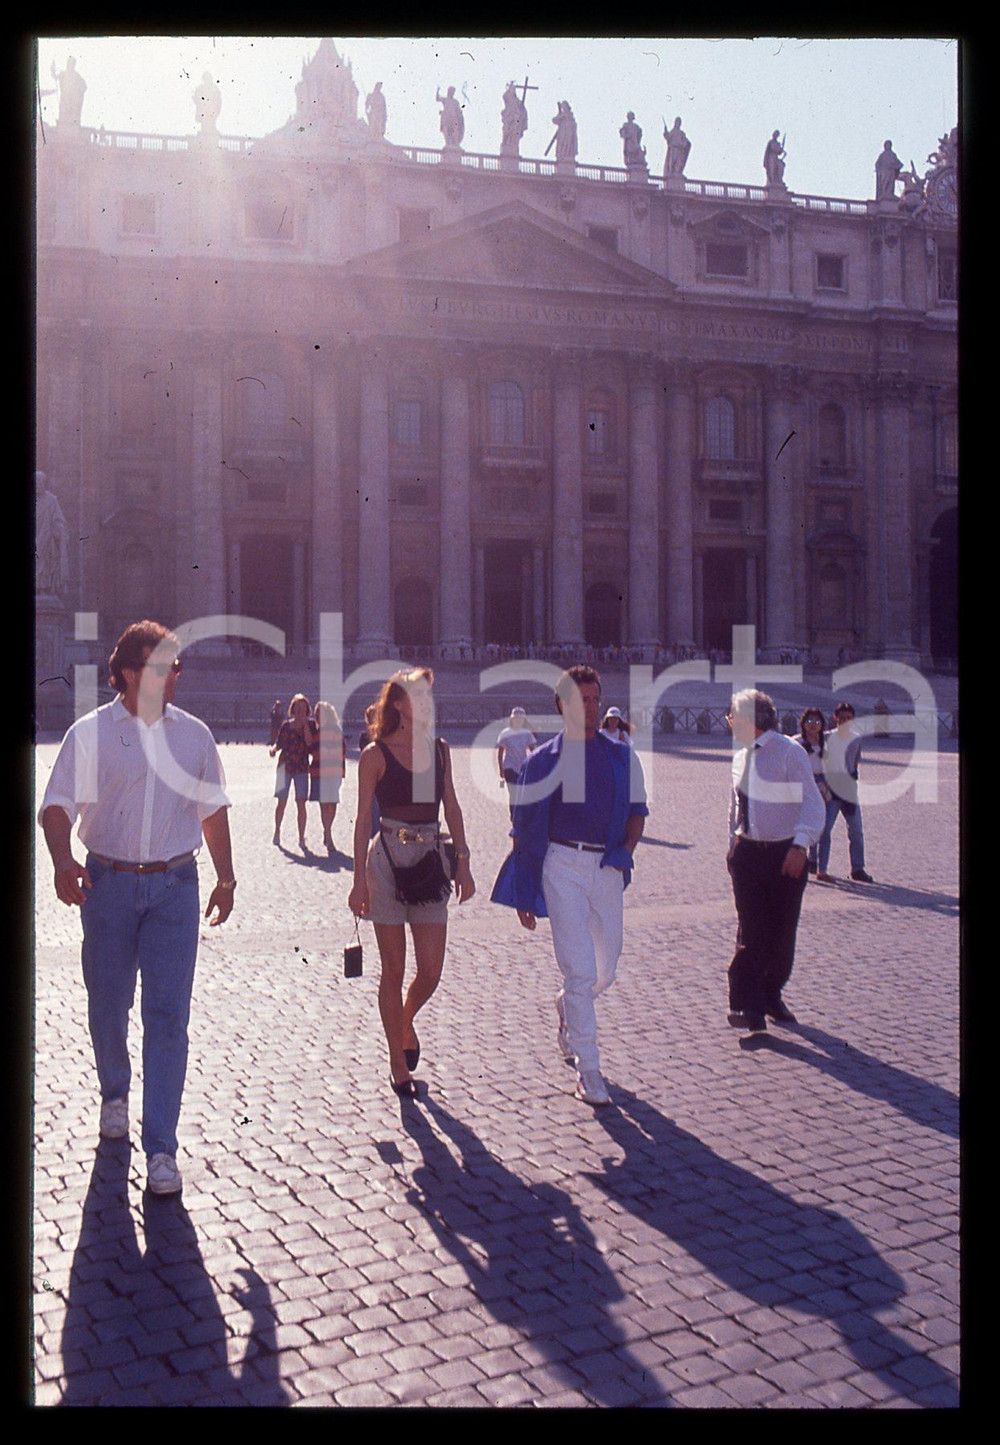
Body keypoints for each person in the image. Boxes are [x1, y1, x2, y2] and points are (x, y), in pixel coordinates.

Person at [38, 620, 235, 1195]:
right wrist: (61, 861)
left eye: (176, 667)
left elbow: (213, 810)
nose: (175, 675)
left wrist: (226, 877)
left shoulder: (195, 736)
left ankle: (162, 1149)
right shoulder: (89, 734)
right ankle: (115, 1093)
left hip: (176, 888)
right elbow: (55, 806)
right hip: (108, 886)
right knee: (108, 1004)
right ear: (128, 673)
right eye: (164, 666)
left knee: (169, 1018)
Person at [491, 665, 648, 1106]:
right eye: (583, 701)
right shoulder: (542, 761)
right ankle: (589, 1070)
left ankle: (567, 1009)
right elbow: (523, 830)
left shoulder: (621, 755)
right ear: (562, 705)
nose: (593, 708)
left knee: (606, 968)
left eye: (597, 699)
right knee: (579, 971)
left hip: (607, 867)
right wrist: (525, 891)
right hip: (560, 864)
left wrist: (626, 854)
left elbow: (638, 809)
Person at [349, 669, 475, 1097]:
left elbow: (452, 806)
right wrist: (357, 884)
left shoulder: (438, 751)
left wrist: (464, 860)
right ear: (398, 703)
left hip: (428, 860)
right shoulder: (375, 754)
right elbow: (364, 819)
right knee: (394, 968)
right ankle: (397, 1063)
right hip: (385, 861)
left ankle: (404, 1020)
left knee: (432, 970)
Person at [725, 689, 825, 1034]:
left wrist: (800, 847)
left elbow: (813, 805)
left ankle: (770, 994)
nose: (729, 723)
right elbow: (736, 807)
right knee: (751, 930)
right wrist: (732, 847)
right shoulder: (739, 756)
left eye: (732, 717)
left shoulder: (789, 753)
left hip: (786, 855)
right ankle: (745, 1006)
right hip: (748, 854)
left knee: (782, 934)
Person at [817, 701, 874, 883]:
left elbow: (855, 762)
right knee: (825, 831)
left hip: (849, 791)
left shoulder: (857, 738)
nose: (845, 721)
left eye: (849, 718)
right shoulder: (826, 737)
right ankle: (821, 868)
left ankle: (858, 868)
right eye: (842, 718)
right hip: (831, 791)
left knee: (856, 831)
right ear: (836, 718)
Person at [270, 694, 313, 850]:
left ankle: (301, 837)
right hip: (284, 766)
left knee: (301, 803)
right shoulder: (286, 725)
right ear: (293, 709)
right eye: (297, 708)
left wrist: (305, 725)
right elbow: (278, 743)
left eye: (303, 708)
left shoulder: (311, 725)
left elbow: (309, 743)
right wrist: (273, 749)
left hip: (301, 767)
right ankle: (277, 831)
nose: (300, 711)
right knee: (281, 801)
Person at [793, 708, 832, 875]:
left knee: (821, 824)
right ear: (803, 723)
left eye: (817, 721)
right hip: (803, 783)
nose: (813, 725)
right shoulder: (797, 743)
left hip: (823, 783)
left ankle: (819, 866)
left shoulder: (825, 744)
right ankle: (809, 859)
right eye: (810, 721)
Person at [310, 700, 347, 853]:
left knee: (332, 804)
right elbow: (313, 751)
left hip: (333, 772)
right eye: (317, 714)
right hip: (319, 772)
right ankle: (329, 835)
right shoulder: (315, 732)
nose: (319, 716)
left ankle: (327, 830)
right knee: (324, 804)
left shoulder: (336, 730)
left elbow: (342, 751)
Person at [496, 706, 537, 817]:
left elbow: (534, 751)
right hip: (509, 766)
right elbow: (500, 752)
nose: (518, 721)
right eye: (516, 719)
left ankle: (520, 814)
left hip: (523, 766)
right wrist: (500, 768)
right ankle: (513, 816)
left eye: (520, 719)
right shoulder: (505, 733)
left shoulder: (527, 733)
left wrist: (536, 766)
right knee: (513, 793)